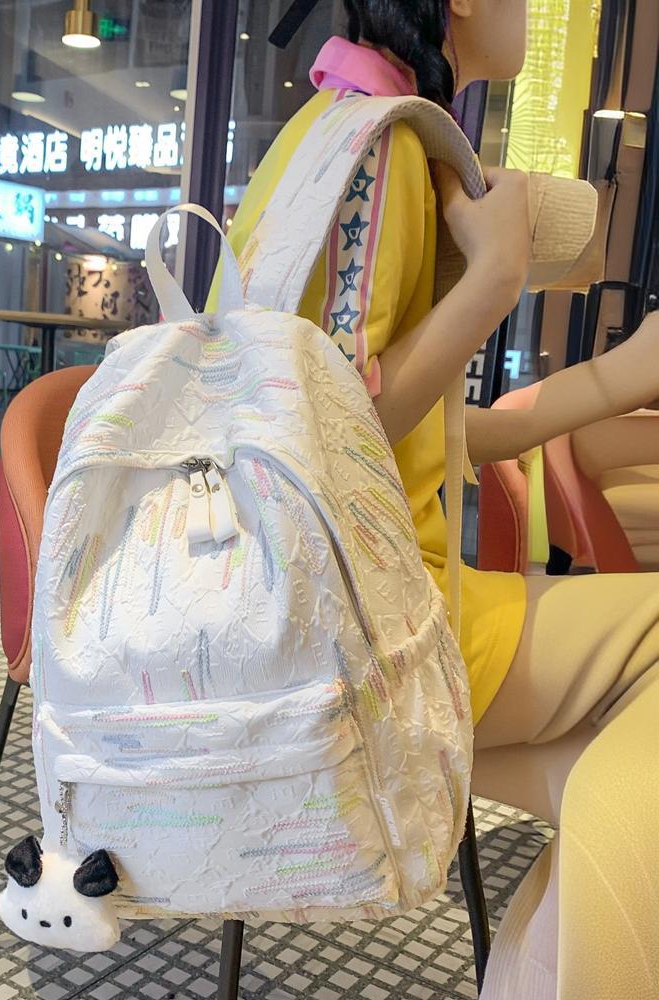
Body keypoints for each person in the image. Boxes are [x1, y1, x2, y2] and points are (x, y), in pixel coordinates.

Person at [225, 2, 659, 997]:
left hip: (309, 603)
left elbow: (426, 433)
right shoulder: (386, 142)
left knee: (606, 782)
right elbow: (332, 432)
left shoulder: (332, 124)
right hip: (374, 623)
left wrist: (621, 376)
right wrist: (494, 278)